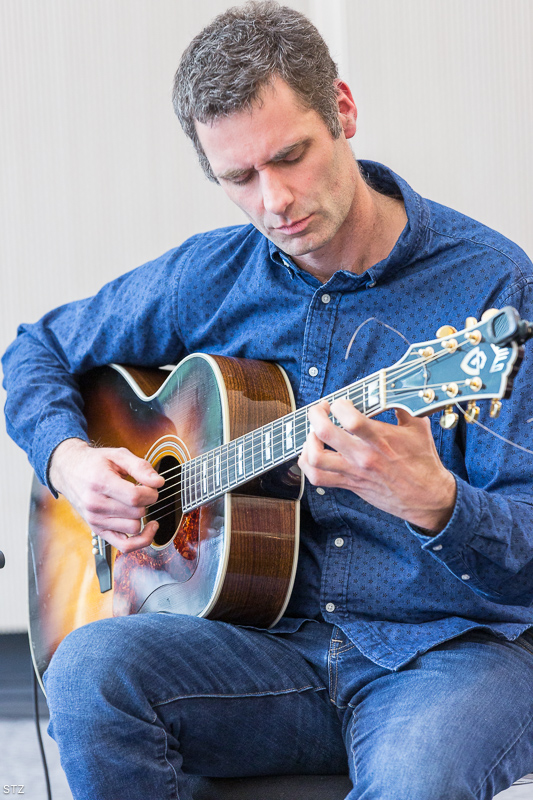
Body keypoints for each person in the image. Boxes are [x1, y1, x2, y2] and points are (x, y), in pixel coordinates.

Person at [3, 2, 533, 798]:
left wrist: (437, 504)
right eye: (239, 178)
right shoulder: (210, 275)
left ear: (342, 111)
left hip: (445, 653)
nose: (274, 200)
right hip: (265, 648)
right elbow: (35, 351)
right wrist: (71, 462)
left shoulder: (490, 287)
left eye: (290, 156)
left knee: (415, 779)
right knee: (89, 673)